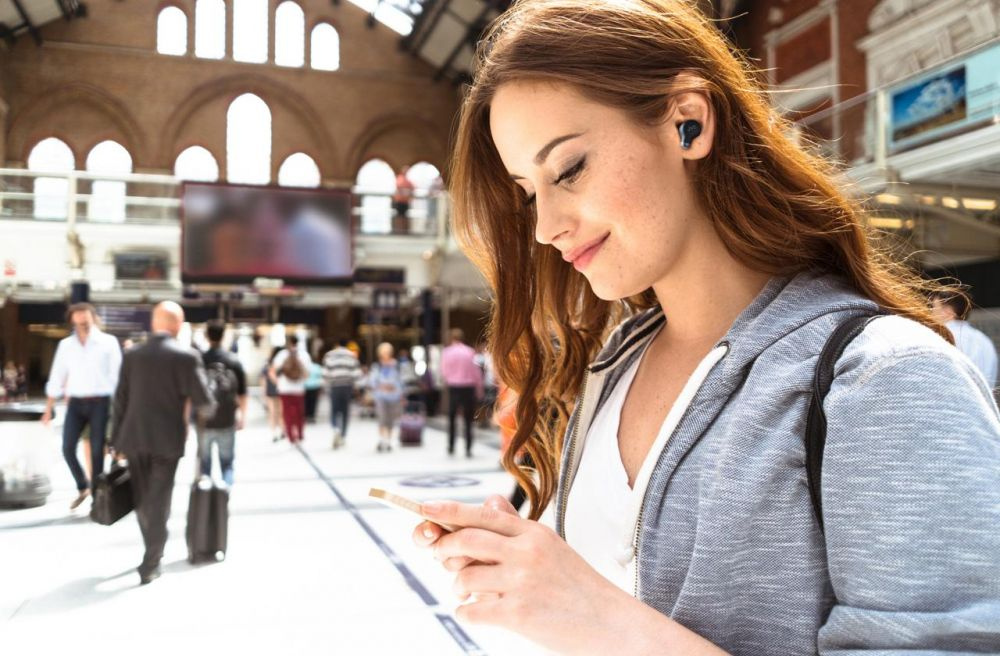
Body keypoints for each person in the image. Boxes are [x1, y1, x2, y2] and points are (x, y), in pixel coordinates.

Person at [410, 2, 1000, 654]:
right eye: (528, 192)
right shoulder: (614, 366)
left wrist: (595, 616)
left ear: (688, 123)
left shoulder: (885, 378)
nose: (547, 226)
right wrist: (535, 563)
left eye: (569, 169)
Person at [111, 302, 214, 585]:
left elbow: (120, 400)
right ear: (178, 325)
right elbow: (205, 402)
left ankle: (152, 551)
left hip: (133, 437)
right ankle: (152, 559)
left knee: (144, 498)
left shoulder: (133, 355)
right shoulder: (187, 357)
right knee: (159, 498)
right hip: (168, 439)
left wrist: (114, 440)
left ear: (154, 324)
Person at [41, 303, 122, 510]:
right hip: (76, 403)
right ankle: (82, 486)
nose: (83, 325)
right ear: (72, 321)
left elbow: (117, 378)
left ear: (93, 318)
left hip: (100, 402)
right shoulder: (66, 346)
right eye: (79, 321)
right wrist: (48, 408)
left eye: (86, 321)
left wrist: (119, 409)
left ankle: (96, 497)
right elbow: (57, 376)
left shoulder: (108, 342)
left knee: (96, 452)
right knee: (67, 448)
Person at [198, 320, 247, 486]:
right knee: (227, 464)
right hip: (227, 419)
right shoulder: (234, 361)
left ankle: (205, 497)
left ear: (206, 336)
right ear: (224, 335)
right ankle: (224, 493)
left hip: (204, 420)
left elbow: (190, 393)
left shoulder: (199, 360)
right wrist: (242, 416)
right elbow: (242, 394)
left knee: (204, 465)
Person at [930, 288, 998, 388]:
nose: (930, 313)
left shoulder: (940, 337)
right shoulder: (984, 340)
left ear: (947, 312)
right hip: (983, 401)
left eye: (933, 308)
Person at [440, 328, 483, 457]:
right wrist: (479, 389)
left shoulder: (446, 352)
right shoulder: (469, 352)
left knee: (452, 418)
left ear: (451, 338)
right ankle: (468, 448)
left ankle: (451, 446)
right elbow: (476, 373)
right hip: (468, 387)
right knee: (468, 419)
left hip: (454, 387)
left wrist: (449, 380)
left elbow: (444, 371)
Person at [269, 335, 312, 444]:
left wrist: (278, 383)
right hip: (299, 389)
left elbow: (272, 371)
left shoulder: (282, 355)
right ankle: (300, 434)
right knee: (299, 412)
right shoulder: (304, 355)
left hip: (284, 389)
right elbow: (307, 374)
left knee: (287, 412)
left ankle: (291, 436)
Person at [322, 339, 361, 448]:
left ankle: (335, 428)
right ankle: (343, 436)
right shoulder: (351, 356)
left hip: (334, 386)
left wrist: (325, 386)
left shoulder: (329, 355)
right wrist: (357, 388)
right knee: (345, 411)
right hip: (347, 386)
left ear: (337, 345)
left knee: (334, 410)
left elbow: (325, 374)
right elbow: (356, 374)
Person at [369, 342, 403, 453]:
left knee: (391, 419)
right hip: (380, 396)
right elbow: (372, 381)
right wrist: (382, 386)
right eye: (383, 352)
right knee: (382, 418)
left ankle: (388, 440)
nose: (385, 354)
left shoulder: (396, 366)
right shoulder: (377, 366)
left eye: (387, 352)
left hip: (394, 397)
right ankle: (382, 439)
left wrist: (394, 388)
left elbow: (401, 381)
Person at [262, 348, 284, 441]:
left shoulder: (267, 365)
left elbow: (263, 381)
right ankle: (282, 431)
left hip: (270, 390)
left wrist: (264, 392)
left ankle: (274, 432)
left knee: (272, 412)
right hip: (280, 389)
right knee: (280, 412)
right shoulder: (280, 365)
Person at [392, 165, 414, 234]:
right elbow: (398, 187)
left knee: (404, 216)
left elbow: (412, 188)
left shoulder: (408, 180)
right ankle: (399, 230)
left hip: (405, 202)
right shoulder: (400, 178)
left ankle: (404, 231)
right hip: (399, 201)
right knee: (399, 216)